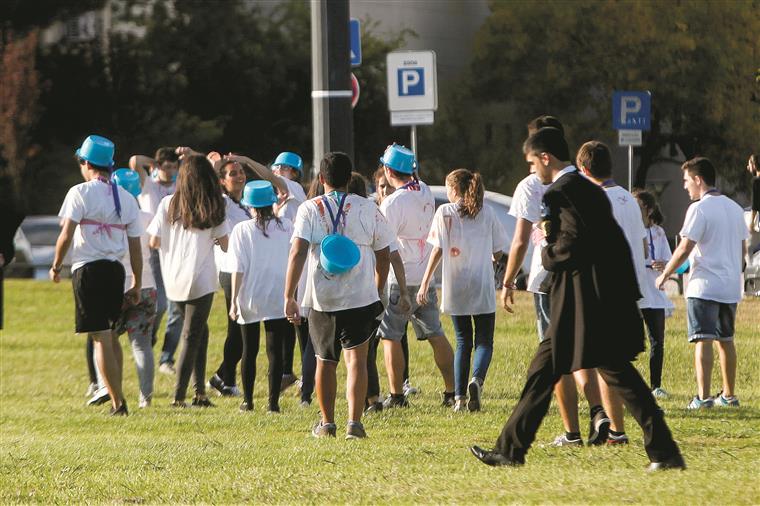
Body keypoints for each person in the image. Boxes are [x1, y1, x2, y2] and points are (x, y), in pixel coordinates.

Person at [470, 127, 684, 471]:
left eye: (531, 163)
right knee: (545, 373)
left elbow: (572, 244)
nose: (532, 171)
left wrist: (548, 253)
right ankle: (509, 450)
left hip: (583, 303)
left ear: (546, 157)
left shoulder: (561, 192)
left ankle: (665, 451)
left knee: (617, 375)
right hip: (586, 300)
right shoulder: (587, 189)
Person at [501, 116, 610, 447]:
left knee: (555, 356)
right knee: (580, 349)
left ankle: (572, 432)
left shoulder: (530, 185)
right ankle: (598, 411)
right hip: (579, 274)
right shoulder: (581, 180)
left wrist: (507, 281)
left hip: (546, 278)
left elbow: (520, 240)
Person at [284, 152, 393, 439]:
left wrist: (289, 295)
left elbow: (297, 252)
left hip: (322, 297)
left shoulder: (310, 208)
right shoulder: (369, 208)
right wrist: (377, 287)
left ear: (321, 180)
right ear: (350, 178)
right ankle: (354, 424)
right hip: (361, 295)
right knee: (357, 359)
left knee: (325, 360)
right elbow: (384, 255)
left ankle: (327, 423)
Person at [51, 135, 143, 416]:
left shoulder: (79, 192)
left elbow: (66, 235)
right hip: (115, 271)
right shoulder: (126, 198)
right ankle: (118, 394)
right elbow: (135, 246)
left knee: (100, 337)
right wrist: (136, 281)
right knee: (112, 335)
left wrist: (56, 265)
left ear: (86, 163)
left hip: (88, 270)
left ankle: (118, 403)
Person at [656, 157, 749, 409]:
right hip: (730, 287)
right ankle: (729, 396)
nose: (685, 186)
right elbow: (742, 250)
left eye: (686, 181)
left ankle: (703, 397)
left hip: (704, 285)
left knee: (703, 339)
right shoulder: (734, 208)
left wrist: (665, 274)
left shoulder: (699, 209)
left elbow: (685, 247)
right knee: (726, 340)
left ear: (698, 179)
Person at [576, 140, 650, 445]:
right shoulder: (629, 200)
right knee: (613, 362)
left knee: (606, 363)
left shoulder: (594, 200)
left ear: (583, 169)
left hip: (604, 290)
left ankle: (618, 430)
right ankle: (617, 428)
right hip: (630, 288)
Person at [417, 169, 507, 412]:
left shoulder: (444, 212)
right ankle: (476, 380)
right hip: (481, 283)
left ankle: (459, 398)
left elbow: (436, 249)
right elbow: (499, 249)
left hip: (455, 283)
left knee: (462, 340)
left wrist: (425, 282)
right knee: (484, 340)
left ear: (454, 189)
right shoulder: (486, 212)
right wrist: (491, 258)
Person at [147, 154, 229, 408]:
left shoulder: (168, 204)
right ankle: (179, 397)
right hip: (201, 280)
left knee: (199, 332)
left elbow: (153, 241)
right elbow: (225, 245)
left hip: (173, 280)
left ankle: (200, 393)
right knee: (192, 335)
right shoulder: (214, 206)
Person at [377, 145, 455, 409]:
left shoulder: (392, 202)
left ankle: (397, 395)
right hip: (425, 276)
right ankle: (451, 391)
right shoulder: (424, 191)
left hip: (399, 278)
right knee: (436, 333)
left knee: (391, 336)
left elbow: (386, 246)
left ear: (388, 170)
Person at [207, 154, 272, 398]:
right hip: (230, 269)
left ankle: (222, 375)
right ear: (222, 181)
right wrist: (214, 165)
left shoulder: (243, 204)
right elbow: (209, 189)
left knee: (241, 328)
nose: (239, 176)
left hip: (246, 269)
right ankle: (226, 379)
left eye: (241, 172)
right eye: (232, 173)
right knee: (238, 328)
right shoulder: (221, 202)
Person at [228, 180, 293, 413]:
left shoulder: (241, 230)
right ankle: (273, 403)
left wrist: (234, 300)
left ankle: (248, 401)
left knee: (249, 350)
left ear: (250, 206)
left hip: (250, 294)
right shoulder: (287, 226)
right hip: (278, 293)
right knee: (275, 351)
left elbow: (238, 268)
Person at [129, 147, 183, 375]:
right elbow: (134, 160)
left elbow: (197, 169)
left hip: (177, 249)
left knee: (177, 308)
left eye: (174, 167)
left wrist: (185, 157)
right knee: (159, 304)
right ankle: (147, 344)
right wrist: (155, 163)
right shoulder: (149, 185)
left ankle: (166, 358)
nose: (170, 171)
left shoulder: (180, 185)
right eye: (166, 167)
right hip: (152, 250)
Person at [111, 168, 157, 408]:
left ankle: (109, 391)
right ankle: (145, 398)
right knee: (141, 344)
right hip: (147, 286)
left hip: (117, 286)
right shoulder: (148, 217)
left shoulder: (110, 217)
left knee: (107, 339)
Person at [373, 166, 418, 400]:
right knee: (382, 336)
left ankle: (401, 385)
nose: (386, 191)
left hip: (396, 280)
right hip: (381, 281)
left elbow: (392, 255)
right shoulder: (373, 210)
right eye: (381, 187)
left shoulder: (394, 207)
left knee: (396, 334)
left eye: (389, 186)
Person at [632, 189, 675, 398]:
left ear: (648, 210)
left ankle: (655, 385)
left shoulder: (658, 232)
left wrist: (663, 266)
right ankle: (628, 386)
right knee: (630, 341)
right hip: (636, 292)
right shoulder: (630, 230)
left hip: (655, 292)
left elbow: (669, 260)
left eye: (638, 207)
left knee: (657, 341)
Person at [749, 154, 759, 235]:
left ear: (754, 165)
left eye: (749, 164)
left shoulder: (756, 181)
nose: (748, 167)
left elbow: (755, 204)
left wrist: (751, 223)